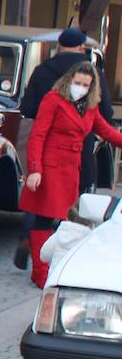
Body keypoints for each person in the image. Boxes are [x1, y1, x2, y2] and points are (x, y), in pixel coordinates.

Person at [17, 62, 122, 287]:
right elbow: (38, 135)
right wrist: (35, 169)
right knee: (45, 219)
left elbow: (106, 131)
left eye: (86, 85)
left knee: (62, 219)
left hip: (70, 170)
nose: (81, 88)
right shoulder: (53, 100)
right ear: (68, 81)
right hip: (50, 168)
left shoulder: (89, 107)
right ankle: (40, 272)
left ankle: (43, 264)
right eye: (77, 83)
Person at [19, 26, 113, 223]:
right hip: (79, 152)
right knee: (72, 213)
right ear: (81, 47)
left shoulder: (42, 69)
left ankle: (38, 247)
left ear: (59, 45)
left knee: (42, 213)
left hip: (48, 153)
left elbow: (27, 108)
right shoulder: (91, 73)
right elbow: (106, 113)